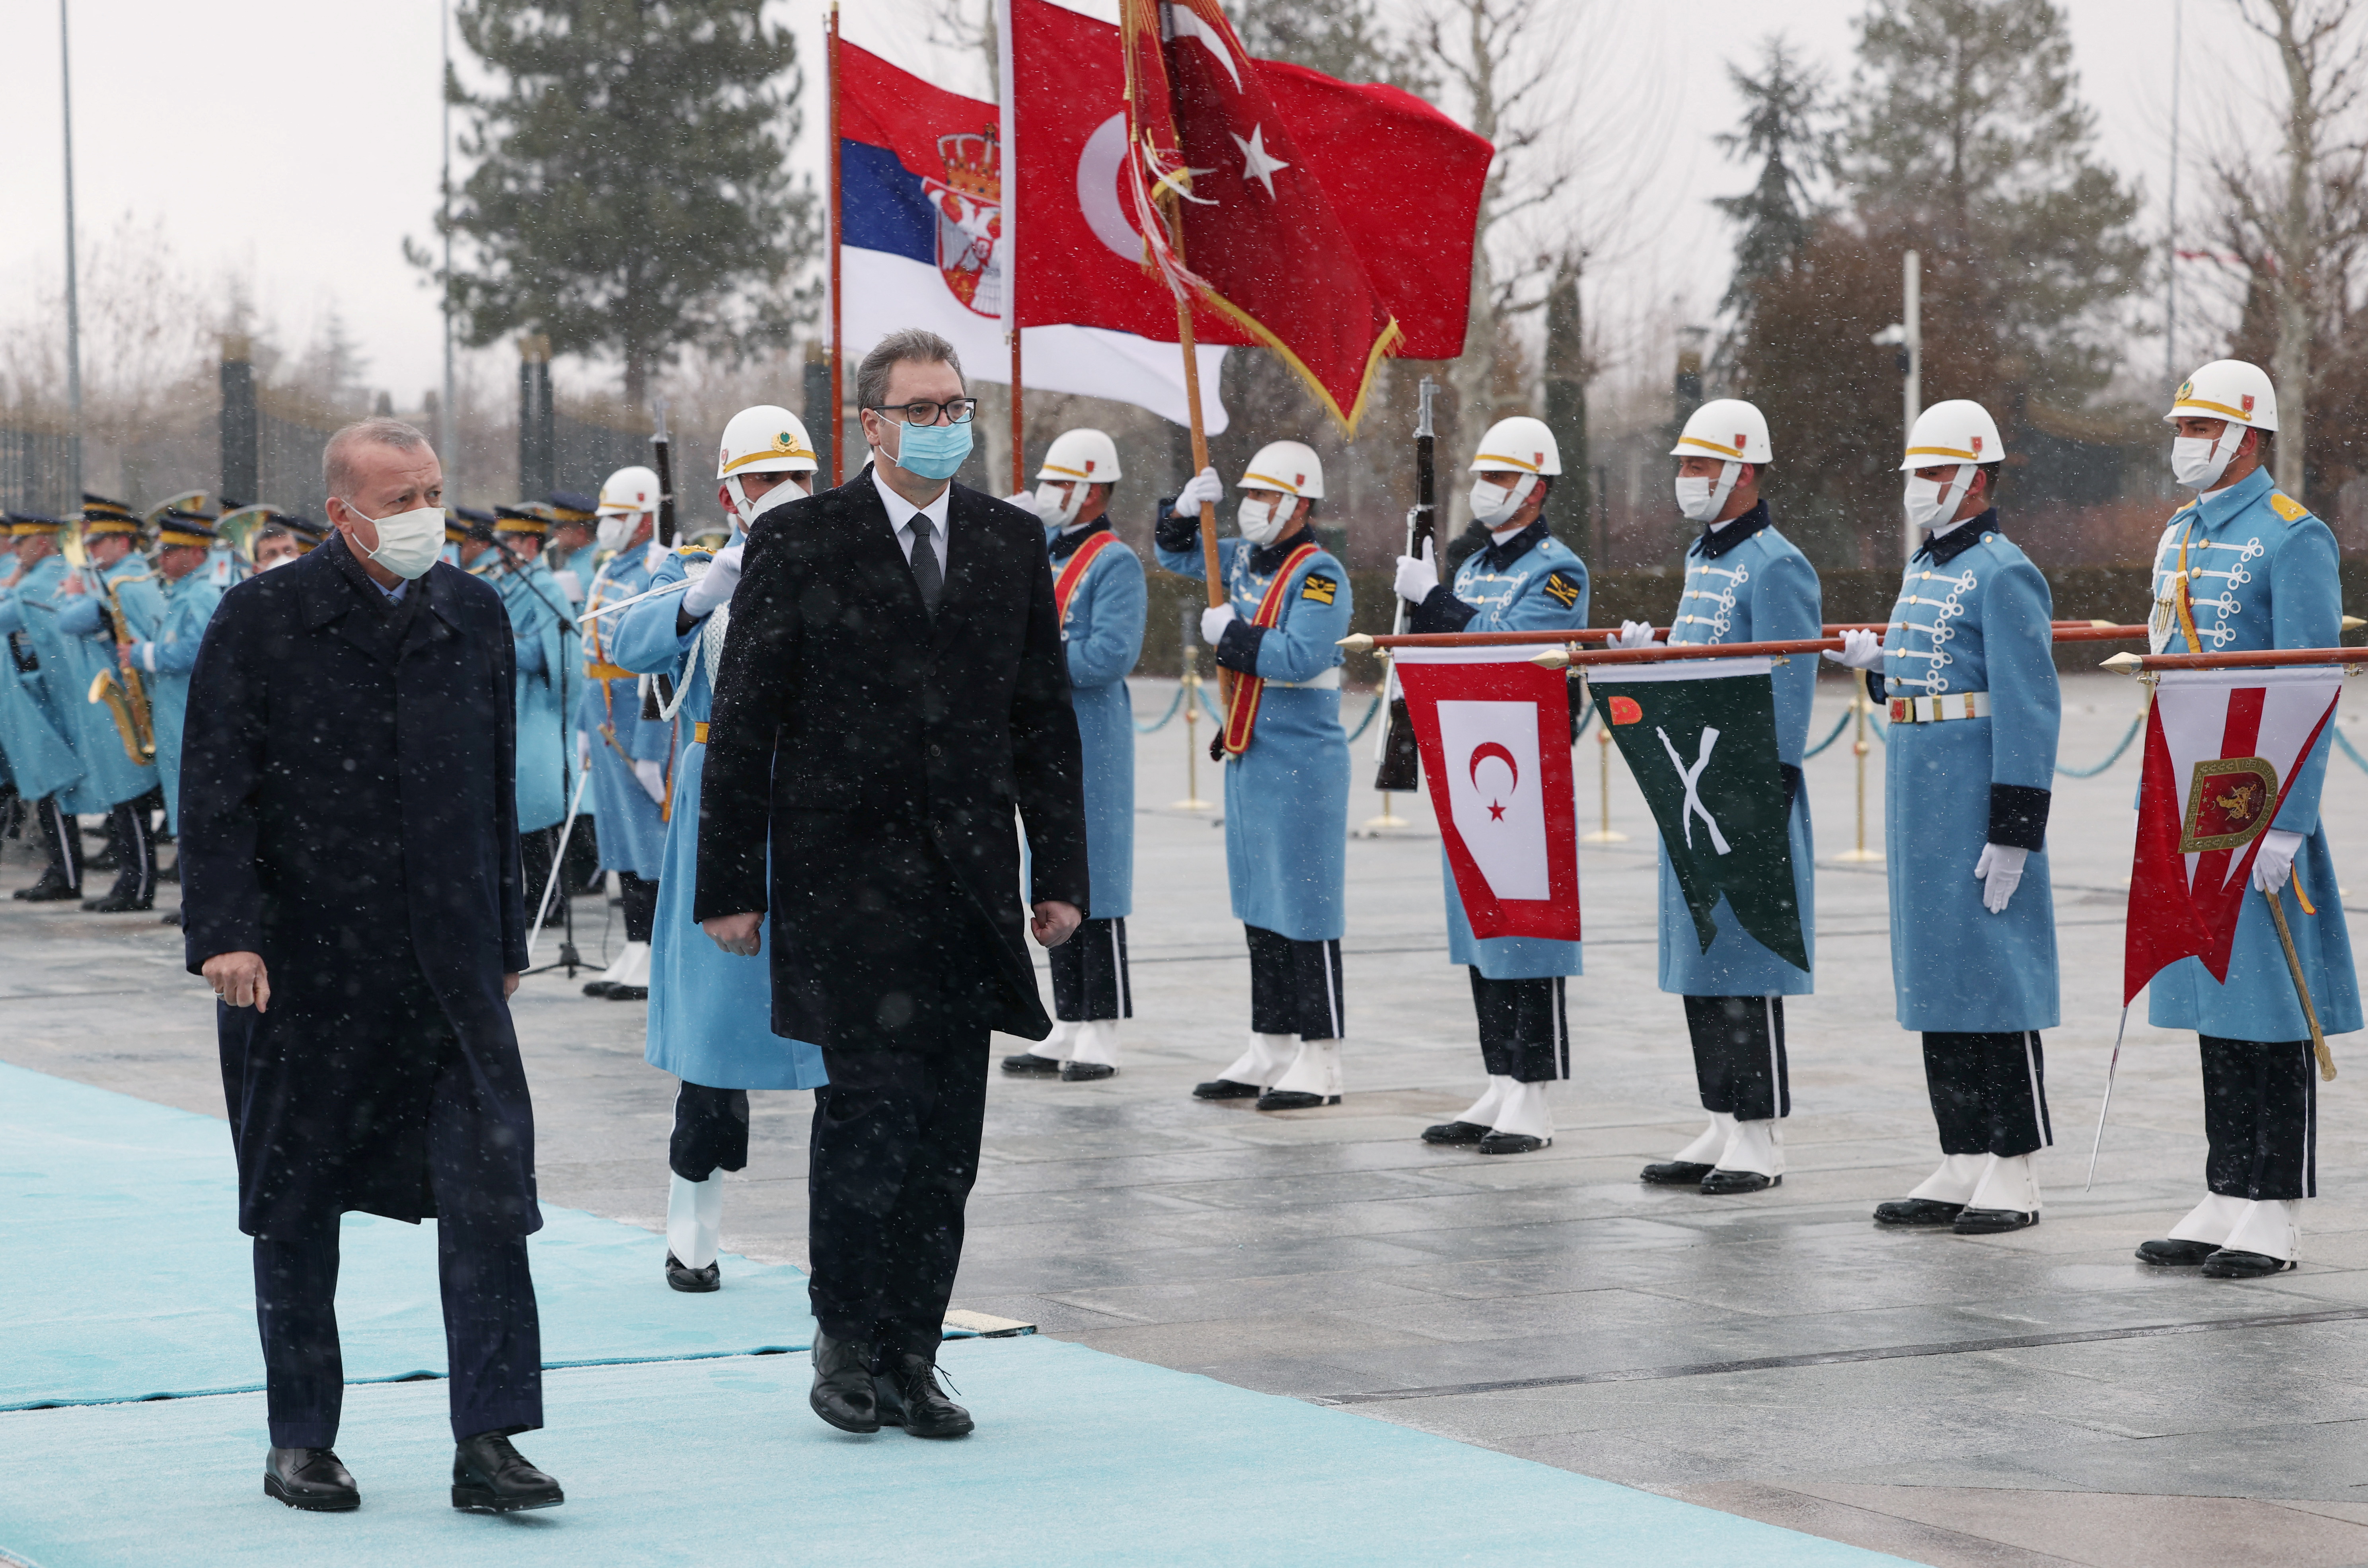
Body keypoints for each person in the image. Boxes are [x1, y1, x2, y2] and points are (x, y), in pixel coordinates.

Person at [696, 329, 1087, 1440]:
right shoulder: (803, 540)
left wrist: (1058, 873)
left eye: (954, 403)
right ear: (870, 423)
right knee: (867, 1118)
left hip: (966, 887)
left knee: (946, 1140)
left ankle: (918, 1351)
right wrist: (732, 882)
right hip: (845, 884)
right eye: (918, 405)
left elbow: (1041, 722)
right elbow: (748, 723)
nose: (941, 421)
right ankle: (848, 1338)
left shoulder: (1012, 540)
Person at [181, 417, 562, 1516]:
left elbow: (493, 792)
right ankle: (303, 1436)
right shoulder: (263, 619)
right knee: (296, 1207)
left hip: (446, 970)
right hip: (302, 972)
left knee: (492, 1197)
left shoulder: (472, 613)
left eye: (434, 490)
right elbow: (216, 787)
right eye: (401, 499)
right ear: (342, 515)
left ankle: (490, 1440)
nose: (424, 516)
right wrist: (228, 933)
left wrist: (502, 939)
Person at [2132, 360, 2359, 1277]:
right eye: (2180, 427)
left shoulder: (2291, 538)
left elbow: (2308, 683)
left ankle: (2273, 1203)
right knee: (2211, 997)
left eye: (2201, 428)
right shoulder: (2178, 534)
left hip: (2252, 793)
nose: (2185, 443)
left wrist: (2288, 821)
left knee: (2268, 1002)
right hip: (2185, 792)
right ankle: (2224, 1185)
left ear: (2247, 436)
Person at [1829, 401, 2061, 1234]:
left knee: (1995, 972)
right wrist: (1879, 669)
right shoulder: (1924, 566)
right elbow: (1930, 674)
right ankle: (1962, 1150)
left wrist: (2016, 826)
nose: (1918, 490)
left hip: (1974, 789)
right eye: (1914, 474)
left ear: (1973, 477)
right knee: (1936, 972)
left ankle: (2016, 1163)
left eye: (1932, 474)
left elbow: (2030, 705)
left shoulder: (2004, 571)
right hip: (1917, 784)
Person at [613, 405, 828, 1293]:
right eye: (762, 483)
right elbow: (626, 639)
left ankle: (842, 1239)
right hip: (723, 812)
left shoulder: (845, 565)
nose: (782, 498)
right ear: (728, 495)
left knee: (841, 1040)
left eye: (797, 482)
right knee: (711, 1043)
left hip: (822, 811)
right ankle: (691, 1228)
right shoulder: (706, 570)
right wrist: (707, 592)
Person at [1623, 400, 1820, 1195]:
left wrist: (1763, 789)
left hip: (1742, 791)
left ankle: (1760, 1132)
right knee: (1703, 955)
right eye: (1682, 465)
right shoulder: (1705, 558)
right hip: (1695, 782)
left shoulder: (1776, 565)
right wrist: (1658, 660)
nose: (1685, 480)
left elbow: (1790, 681)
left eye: (1699, 465)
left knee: (1746, 956)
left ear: (1743, 469)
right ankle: (1721, 1114)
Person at [1398, 417, 1588, 1155]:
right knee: (1481, 923)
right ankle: (1501, 1078)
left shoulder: (1558, 568)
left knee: (1527, 928)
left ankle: (1535, 1096)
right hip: (1472, 758)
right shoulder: (1474, 566)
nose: (1484, 490)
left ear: (1536, 489)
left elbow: (1513, 650)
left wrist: (1434, 602)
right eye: (1481, 475)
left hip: (1525, 765)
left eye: (1501, 478)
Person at [1157, 441, 1354, 1110]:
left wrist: (1232, 635)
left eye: (1264, 497)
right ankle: (1270, 1043)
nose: (1250, 509)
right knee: (1260, 907)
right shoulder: (1241, 560)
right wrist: (1183, 511)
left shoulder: (1319, 572)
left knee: (1305, 907)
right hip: (1249, 752)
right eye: (1246, 495)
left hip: (1301, 761)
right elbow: (1173, 552)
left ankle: (1322, 1057)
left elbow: (1301, 655)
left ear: (1299, 503)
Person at [1000, 428, 1147, 1083]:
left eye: (1060, 484)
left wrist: (1035, 663)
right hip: (1044, 739)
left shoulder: (1114, 562)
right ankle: (1067, 1018)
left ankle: (1103, 1028)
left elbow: (1109, 656)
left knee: (1100, 883)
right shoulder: (1041, 552)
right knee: (1053, 878)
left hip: (1092, 739)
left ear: (1093, 491)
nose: (1047, 494)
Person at [577, 466, 671, 1001]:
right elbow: (588, 652)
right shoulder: (611, 568)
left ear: (642, 519)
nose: (607, 527)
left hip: (639, 724)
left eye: (617, 517)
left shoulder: (657, 570)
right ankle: (636, 945)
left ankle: (656, 948)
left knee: (650, 840)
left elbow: (659, 667)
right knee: (620, 839)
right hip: (605, 719)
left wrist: (653, 748)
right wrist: (583, 729)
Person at [46, 497, 164, 912]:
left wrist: (74, 594)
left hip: (132, 705)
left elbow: (70, 621)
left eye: (97, 542)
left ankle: (138, 885)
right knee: (122, 798)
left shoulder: (127, 581)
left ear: (121, 541)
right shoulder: (111, 580)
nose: (90, 551)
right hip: (115, 705)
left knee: (129, 797)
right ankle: (131, 881)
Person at [121, 509, 228, 922]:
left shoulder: (200, 595)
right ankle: (194, 901)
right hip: (174, 719)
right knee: (184, 810)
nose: (161, 558)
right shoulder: (181, 592)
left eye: (170, 550)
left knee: (195, 812)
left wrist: (143, 654)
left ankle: (201, 903)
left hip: (190, 719)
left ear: (196, 553)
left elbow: (195, 651)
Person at [477, 507, 577, 910]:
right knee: (510, 807)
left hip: (533, 707)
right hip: (502, 703)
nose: (501, 553)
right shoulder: (501, 583)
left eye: (511, 543)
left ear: (531, 545)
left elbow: (552, 652)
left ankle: (550, 895)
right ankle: (524, 896)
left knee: (536, 803)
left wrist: (502, 644)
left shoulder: (545, 588)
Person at [0, 514, 84, 898]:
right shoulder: (56, 577)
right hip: (60, 698)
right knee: (55, 791)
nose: (16, 551)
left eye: (24, 543)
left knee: (52, 788)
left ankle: (65, 874)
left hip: (49, 701)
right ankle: (64, 872)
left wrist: (13, 579)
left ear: (45, 544)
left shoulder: (35, 583)